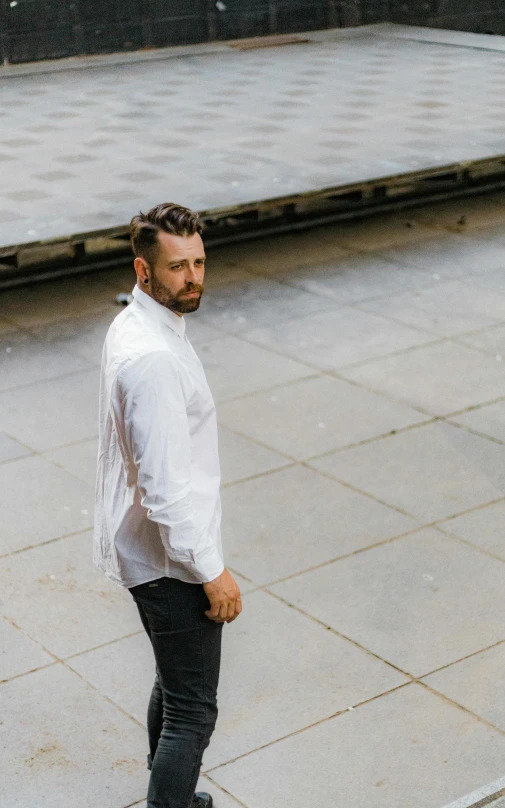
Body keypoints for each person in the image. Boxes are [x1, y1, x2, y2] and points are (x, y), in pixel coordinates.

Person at [93, 202, 242, 808]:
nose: (193, 277)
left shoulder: (138, 324)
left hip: (144, 550)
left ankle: (171, 796)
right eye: (178, 267)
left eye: (199, 261)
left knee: (173, 684)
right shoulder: (153, 358)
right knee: (193, 711)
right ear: (143, 269)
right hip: (169, 560)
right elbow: (164, 491)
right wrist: (212, 572)